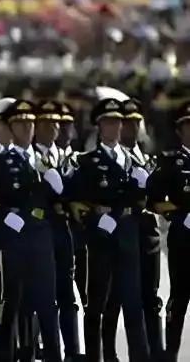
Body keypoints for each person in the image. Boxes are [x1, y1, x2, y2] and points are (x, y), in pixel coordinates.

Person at [0, 98, 63, 362]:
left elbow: (60, 198)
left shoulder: (45, 160)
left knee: (47, 302)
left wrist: (56, 182)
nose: (27, 128)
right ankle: (7, 354)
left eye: (30, 123)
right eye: (20, 124)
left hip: (41, 236)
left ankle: (53, 355)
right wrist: (5, 216)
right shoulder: (2, 160)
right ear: (11, 128)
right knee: (12, 300)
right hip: (14, 238)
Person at [69, 96, 151, 362]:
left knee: (131, 301)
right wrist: (96, 217)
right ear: (99, 126)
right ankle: (96, 355)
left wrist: (143, 186)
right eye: (109, 122)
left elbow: (142, 200)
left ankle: (136, 356)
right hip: (102, 235)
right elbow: (78, 198)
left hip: (127, 233)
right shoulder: (88, 161)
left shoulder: (133, 160)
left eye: (118, 122)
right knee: (98, 302)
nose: (114, 127)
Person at [100, 98, 163, 362]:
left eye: (137, 122)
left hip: (148, 233)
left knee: (151, 297)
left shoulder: (146, 155)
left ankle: (155, 352)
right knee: (115, 298)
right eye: (127, 122)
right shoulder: (112, 158)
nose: (132, 127)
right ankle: (109, 352)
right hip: (124, 231)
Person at [35, 100, 82, 359]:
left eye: (56, 123)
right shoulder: (32, 156)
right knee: (46, 295)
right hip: (43, 229)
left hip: (67, 230)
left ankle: (73, 350)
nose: (53, 127)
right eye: (46, 122)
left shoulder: (70, 157)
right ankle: (50, 351)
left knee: (67, 294)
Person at [147, 100, 190, 360]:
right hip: (184, 237)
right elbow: (152, 199)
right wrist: (179, 213)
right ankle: (170, 353)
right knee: (180, 298)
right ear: (179, 130)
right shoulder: (172, 162)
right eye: (188, 126)